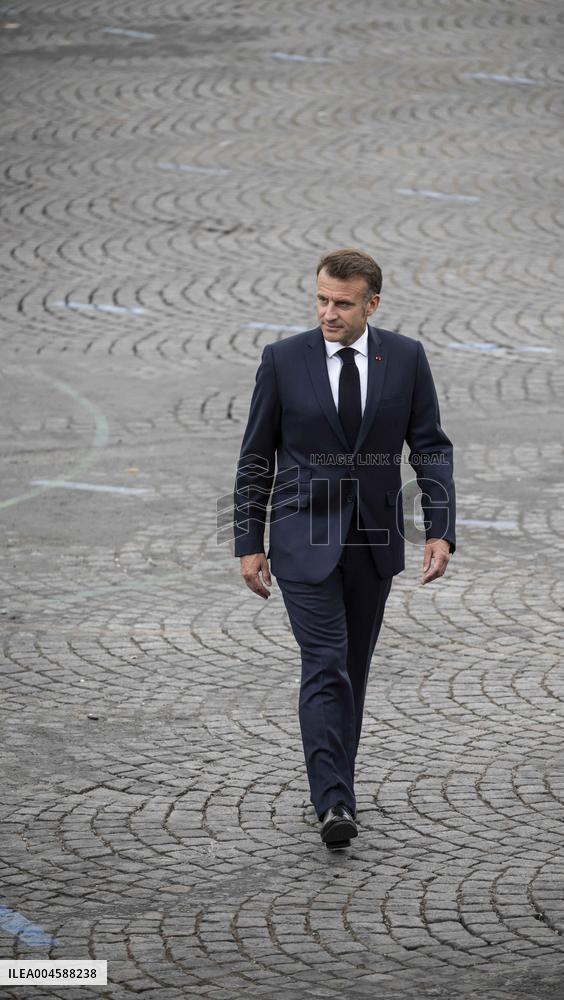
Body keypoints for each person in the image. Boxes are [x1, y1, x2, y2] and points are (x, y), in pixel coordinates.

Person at [233, 248, 456, 849]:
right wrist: (248, 542)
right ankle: (333, 802)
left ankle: (339, 787)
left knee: (352, 669)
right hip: (302, 539)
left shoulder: (405, 358)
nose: (328, 313)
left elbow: (430, 446)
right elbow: (257, 456)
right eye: (322, 300)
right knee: (326, 661)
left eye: (342, 303)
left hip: (374, 540)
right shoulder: (283, 361)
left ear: (372, 304)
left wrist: (439, 527)